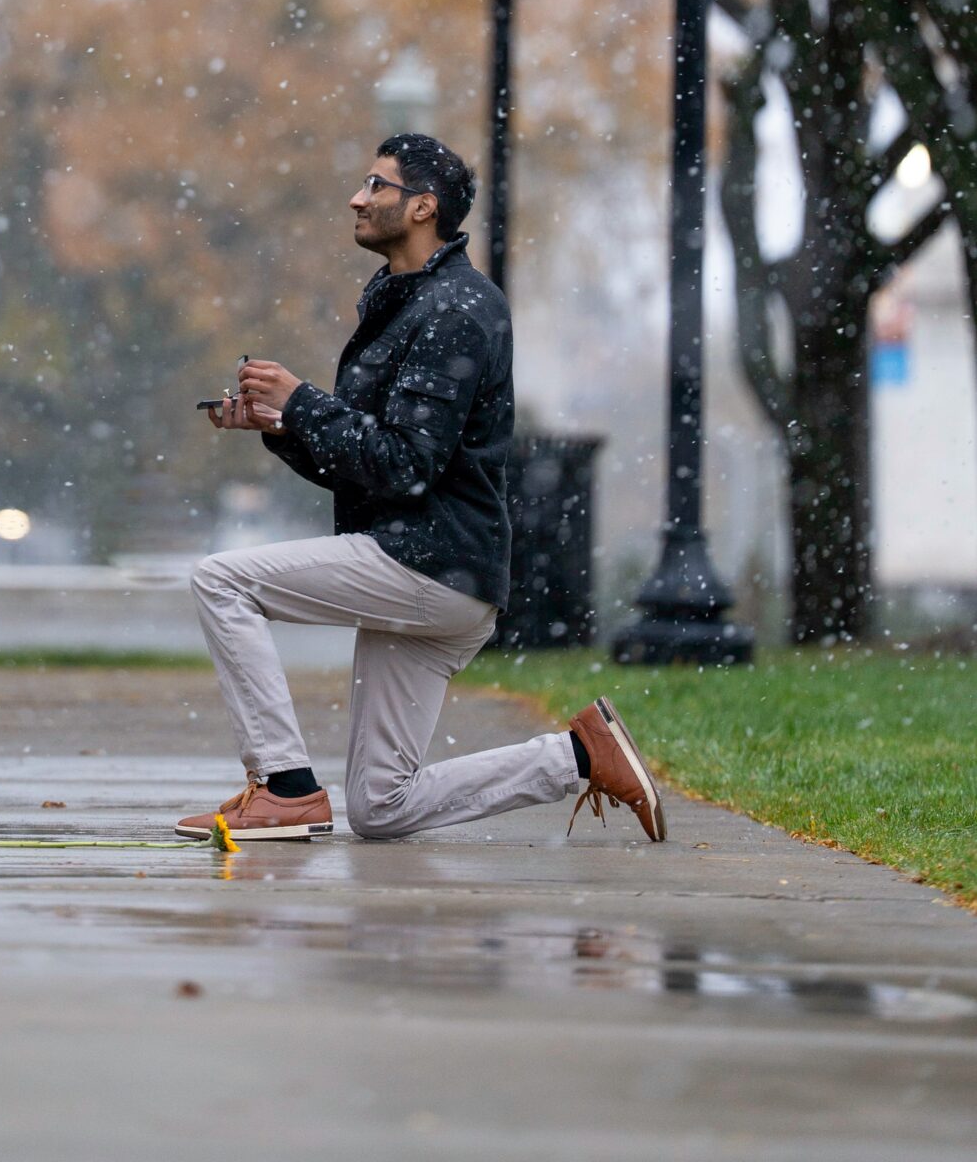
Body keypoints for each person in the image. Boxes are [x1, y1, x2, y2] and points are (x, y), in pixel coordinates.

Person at [176, 130, 664, 845]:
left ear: (421, 209)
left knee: (221, 582)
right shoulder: (403, 303)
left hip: (430, 561)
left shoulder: (455, 310)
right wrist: (281, 426)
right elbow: (367, 464)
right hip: (426, 566)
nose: (356, 197)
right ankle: (579, 755)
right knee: (382, 807)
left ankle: (282, 787)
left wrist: (304, 401)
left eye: (377, 185)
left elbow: (405, 464)